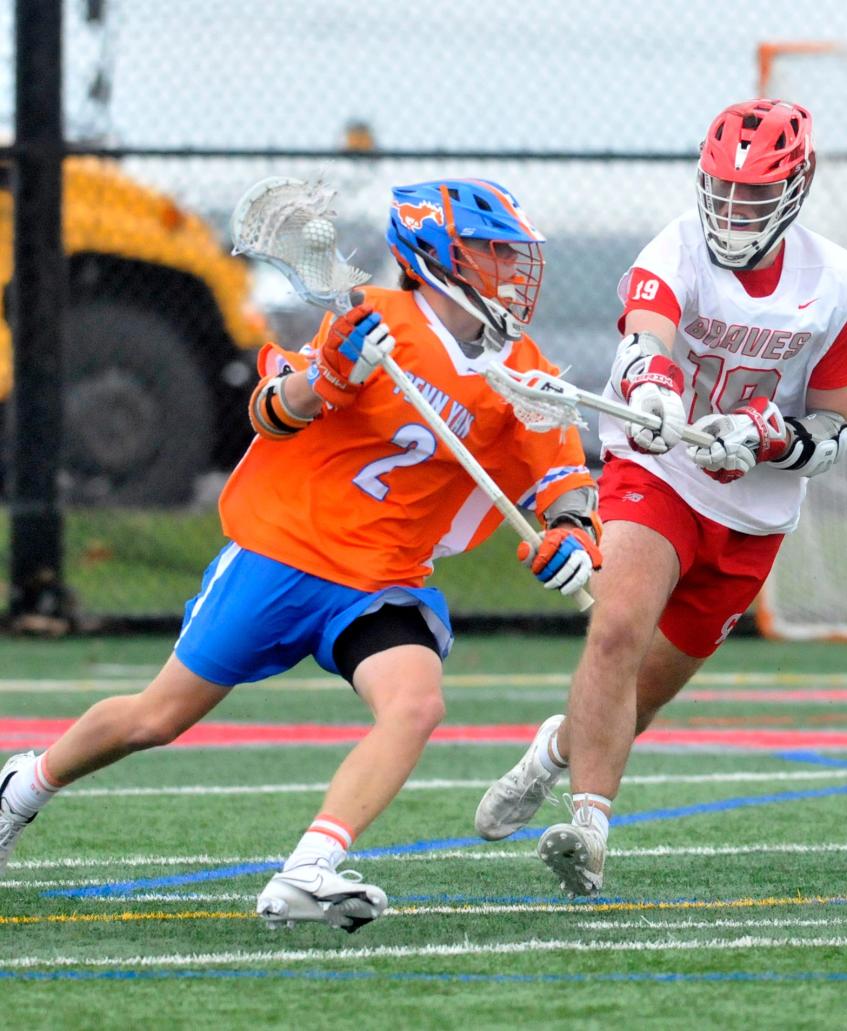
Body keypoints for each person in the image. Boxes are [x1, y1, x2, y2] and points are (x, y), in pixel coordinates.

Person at [0, 178, 602, 932]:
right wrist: (329, 377)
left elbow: (561, 475)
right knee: (154, 719)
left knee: (415, 704)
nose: (510, 267)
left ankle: (307, 868)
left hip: (381, 579)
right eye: (491, 249)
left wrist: (573, 534)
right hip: (282, 555)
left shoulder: (519, 364)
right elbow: (268, 415)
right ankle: (23, 788)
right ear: (440, 254)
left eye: (512, 252)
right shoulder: (369, 322)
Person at [475, 98, 847, 897]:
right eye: (723, 189)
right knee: (616, 629)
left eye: (754, 195)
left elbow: (833, 433)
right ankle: (588, 830)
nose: (733, 209)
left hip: (752, 517)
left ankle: (554, 752)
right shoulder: (676, 248)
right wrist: (654, 388)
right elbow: (646, 336)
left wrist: (766, 437)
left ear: (797, 186)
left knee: (640, 695)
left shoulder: (836, 286)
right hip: (661, 473)